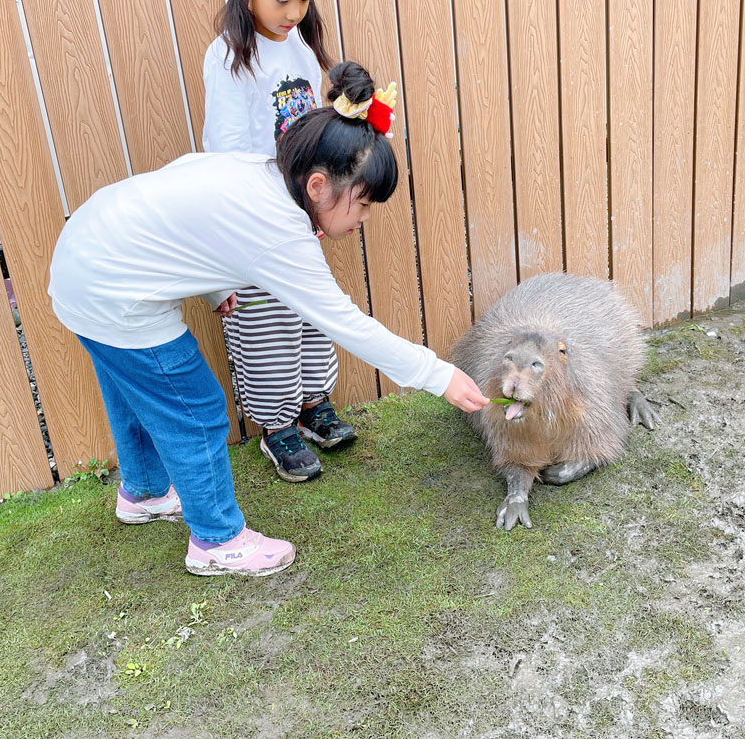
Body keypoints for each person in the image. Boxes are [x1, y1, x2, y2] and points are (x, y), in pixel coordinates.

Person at [48, 61, 488, 577]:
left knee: (136, 389)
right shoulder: (279, 228)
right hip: (111, 290)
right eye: (363, 205)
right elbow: (344, 322)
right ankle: (216, 540)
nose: (365, 219)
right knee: (194, 409)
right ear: (318, 185)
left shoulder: (261, 171)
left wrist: (216, 286)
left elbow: (186, 209)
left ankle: (144, 492)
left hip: (84, 260)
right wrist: (439, 374)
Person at [201, 0, 349, 483]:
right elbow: (226, 152)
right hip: (252, 220)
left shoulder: (301, 48)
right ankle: (277, 426)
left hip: (300, 215)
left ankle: (312, 406)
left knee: (309, 313)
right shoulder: (229, 57)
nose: (293, 13)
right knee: (266, 330)